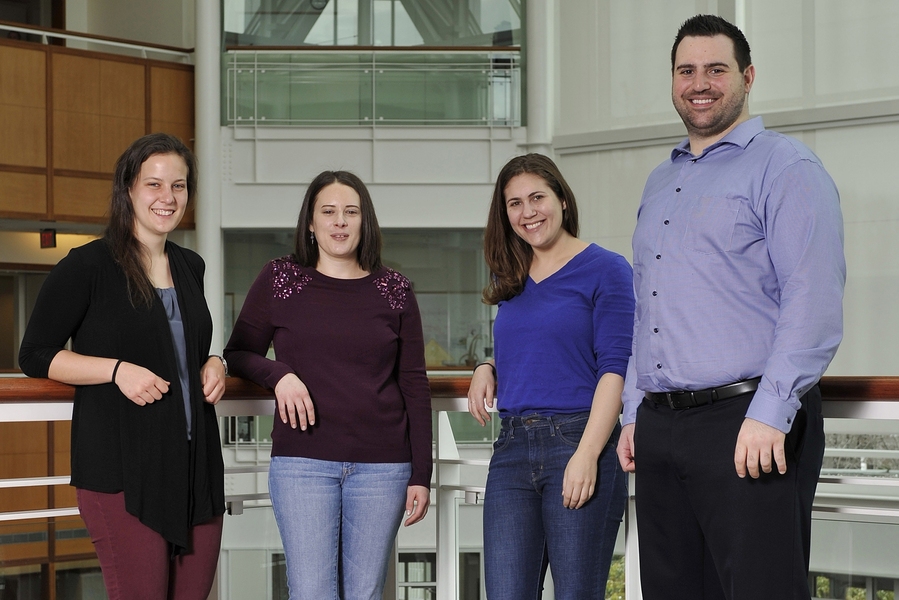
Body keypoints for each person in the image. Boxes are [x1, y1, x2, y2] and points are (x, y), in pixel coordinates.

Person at [615, 14, 845, 600]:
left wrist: (771, 411)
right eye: (686, 70)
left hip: (749, 424)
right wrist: (635, 410)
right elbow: (649, 304)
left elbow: (812, 299)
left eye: (716, 69)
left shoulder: (786, 167)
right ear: (672, 81)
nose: (700, 83)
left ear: (746, 76)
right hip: (662, 428)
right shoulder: (659, 181)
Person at [18, 133, 227, 600]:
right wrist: (116, 370)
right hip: (121, 472)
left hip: (196, 469)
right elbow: (34, 354)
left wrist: (216, 360)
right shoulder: (87, 265)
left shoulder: (191, 265)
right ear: (128, 189)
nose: (167, 197)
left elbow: (186, 348)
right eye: (153, 184)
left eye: (179, 185)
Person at [223, 170, 432, 600]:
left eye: (351, 212)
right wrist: (280, 375)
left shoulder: (394, 290)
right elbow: (239, 353)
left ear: (364, 222)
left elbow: (413, 383)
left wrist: (422, 474)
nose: (340, 222)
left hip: (383, 468)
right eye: (329, 212)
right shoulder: (281, 279)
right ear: (311, 224)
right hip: (303, 464)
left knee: (365, 593)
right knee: (311, 591)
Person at [468, 154, 633, 599]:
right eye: (514, 203)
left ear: (561, 198)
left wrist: (588, 454)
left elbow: (614, 368)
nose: (528, 212)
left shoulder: (608, 269)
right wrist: (489, 365)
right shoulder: (512, 277)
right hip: (511, 449)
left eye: (537, 197)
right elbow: (538, 346)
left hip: (578, 440)